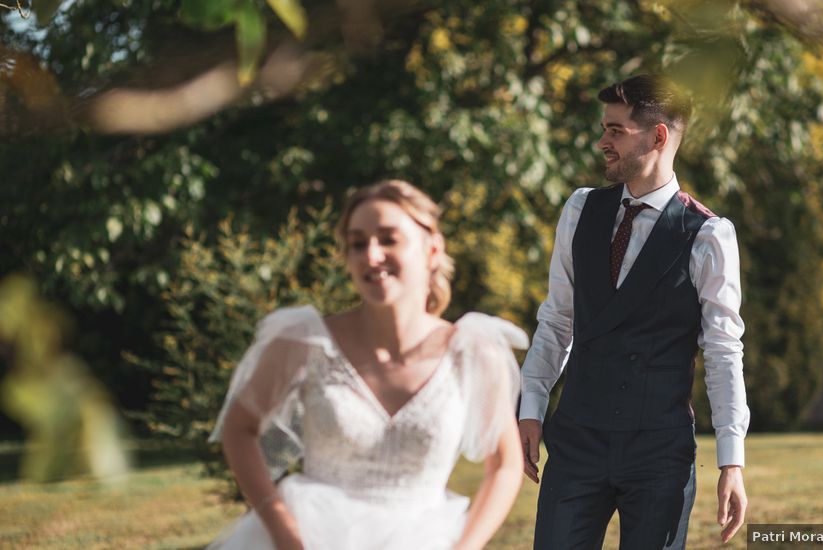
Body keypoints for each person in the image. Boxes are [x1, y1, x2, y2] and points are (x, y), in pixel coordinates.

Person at [207, 179, 526, 550]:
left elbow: (505, 465)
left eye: (388, 238)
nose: (371, 255)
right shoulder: (303, 341)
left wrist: (465, 547)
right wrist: (283, 532)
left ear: (432, 249)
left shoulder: (472, 351)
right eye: (358, 243)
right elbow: (238, 427)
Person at [519, 75, 750, 549]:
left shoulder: (708, 235)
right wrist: (531, 407)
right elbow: (558, 320)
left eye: (616, 131)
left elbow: (725, 352)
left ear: (658, 136)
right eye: (604, 128)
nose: (602, 142)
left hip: (659, 451)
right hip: (577, 440)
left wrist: (732, 460)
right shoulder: (580, 210)